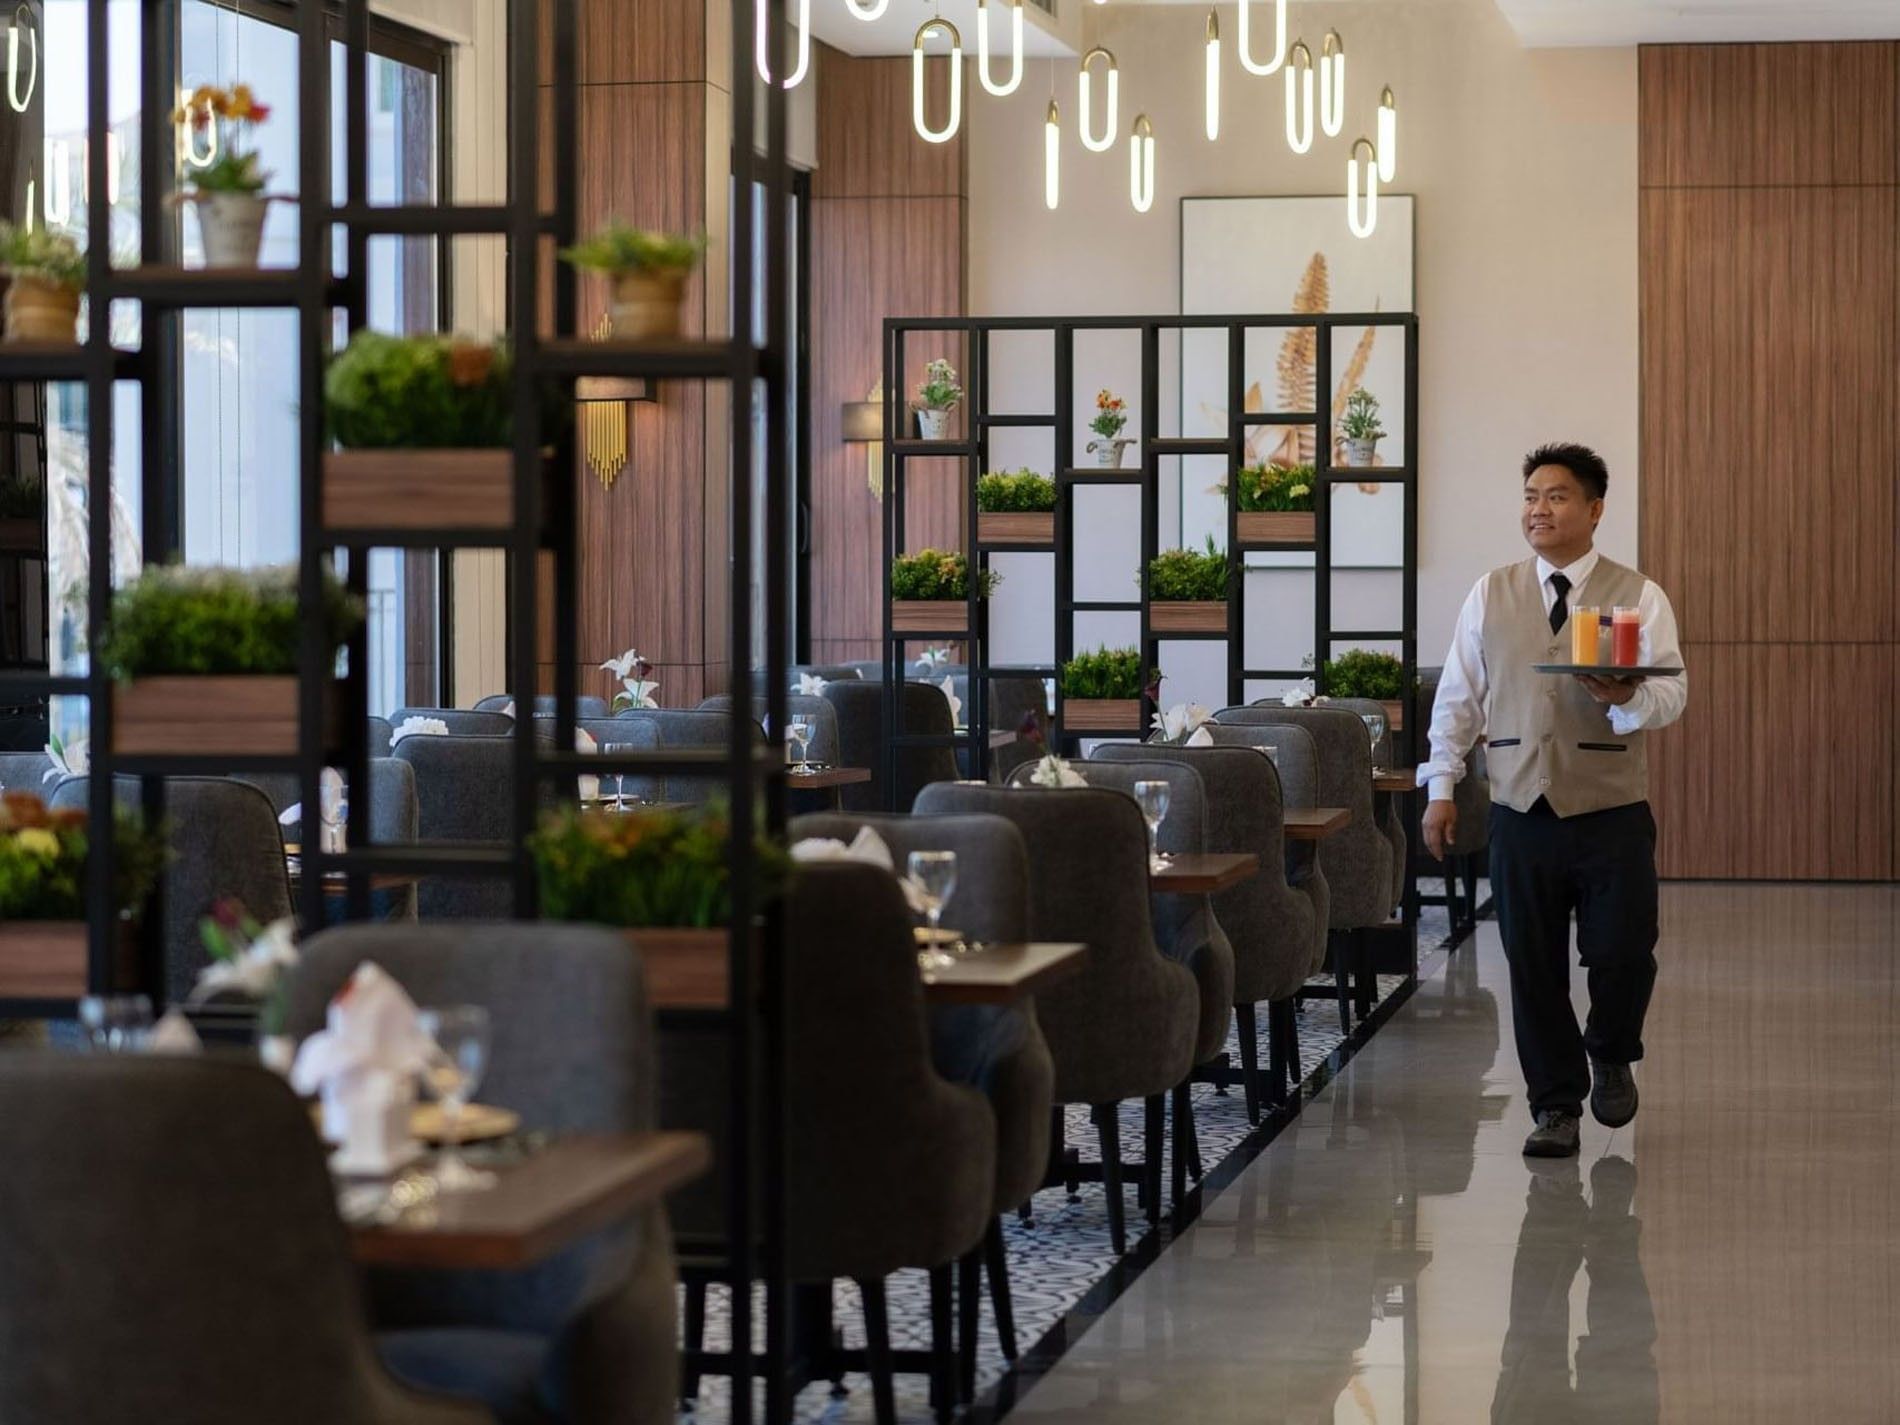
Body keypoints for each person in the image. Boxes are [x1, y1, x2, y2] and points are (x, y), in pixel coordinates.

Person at [1418, 443, 1686, 1159]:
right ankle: (1555, 1106)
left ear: (1595, 509)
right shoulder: (1490, 591)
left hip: (1611, 811)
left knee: (1624, 950)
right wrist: (1442, 787)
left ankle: (1611, 1049)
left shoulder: (1638, 594)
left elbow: (1672, 692)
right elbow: (1459, 700)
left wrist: (1628, 697)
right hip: (1519, 809)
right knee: (1532, 966)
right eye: (1532, 495)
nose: (1539, 508)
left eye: (1558, 495)